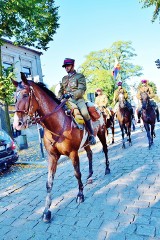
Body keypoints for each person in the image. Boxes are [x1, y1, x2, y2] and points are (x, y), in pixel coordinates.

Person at [58, 58, 96, 145]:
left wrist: (71, 95)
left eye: (68, 66)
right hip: (66, 100)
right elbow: (61, 90)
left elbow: (82, 89)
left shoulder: (80, 76)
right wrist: (59, 97)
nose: (66, 68)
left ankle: (91, 134)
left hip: (78, 99)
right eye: (65, 66)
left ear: (73, 66)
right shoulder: (64, 78)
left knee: (85, 112)